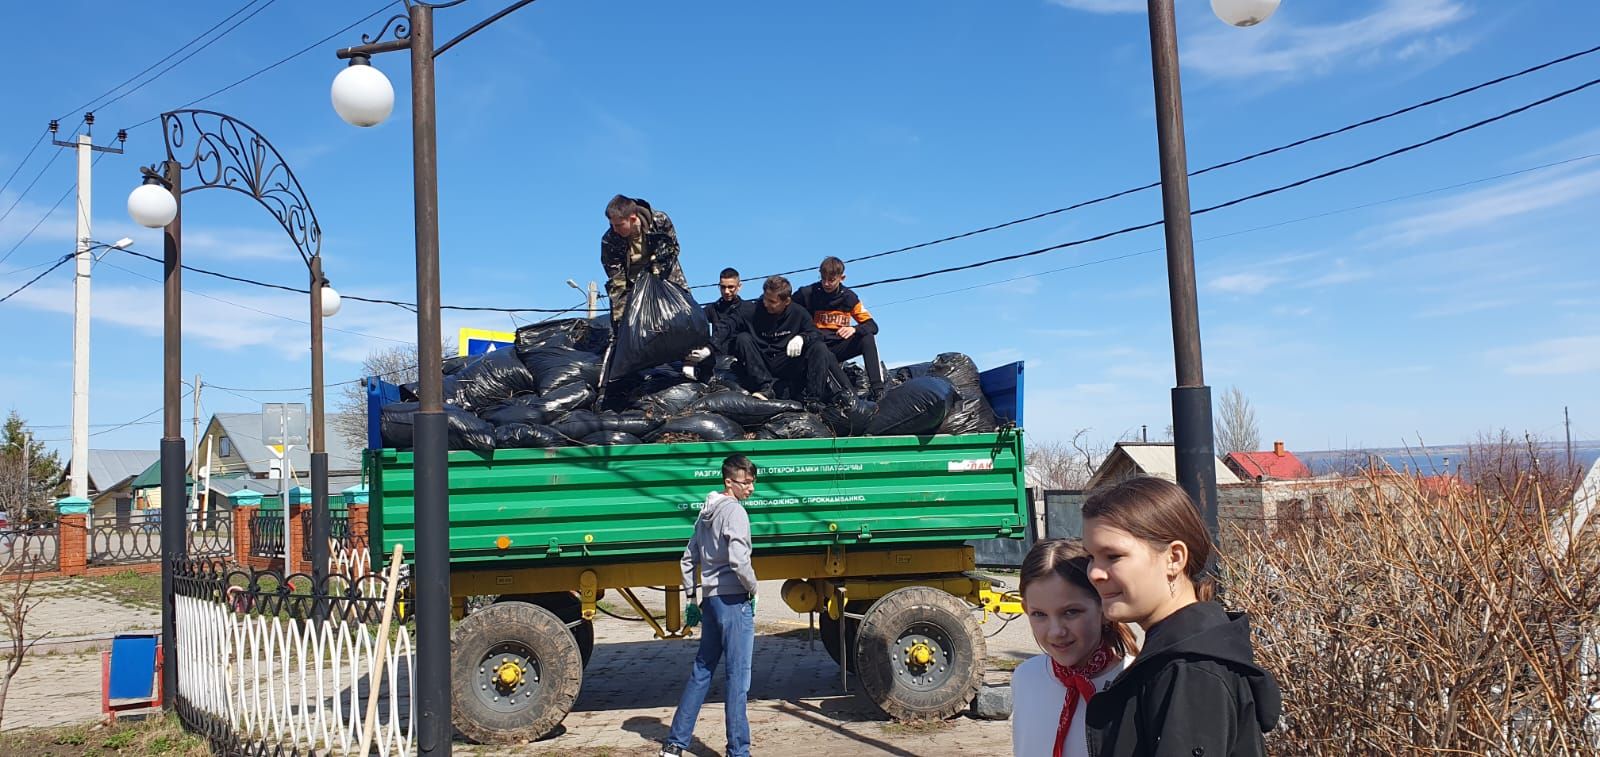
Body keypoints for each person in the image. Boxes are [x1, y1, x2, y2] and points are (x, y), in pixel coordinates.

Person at [1080, 477, 1281, 757]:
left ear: (1174, 558)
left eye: (1112, 556)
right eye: (1091, 557)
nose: (1094, 573)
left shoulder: (1190, 671)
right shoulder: (1179, 654)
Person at [660, 454, 761, 757]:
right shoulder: (735, 512)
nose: (751, 488)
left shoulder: (706, 514)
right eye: (746, 482)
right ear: (728, 481)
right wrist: (753, 589)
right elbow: (739, 560)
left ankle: (674, 746)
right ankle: (738, 752)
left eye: (754, 482)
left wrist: (691, 598)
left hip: (712, 602)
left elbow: (688, 559)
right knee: (738, 679)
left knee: (702, 672)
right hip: (734, 603)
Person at [1012, 539, 1136, 757]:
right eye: (1039, 614)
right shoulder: (1026, 677)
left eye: (1071, 612)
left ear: (1103, 607)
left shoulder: (1133, 681)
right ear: (1025, 609)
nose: (1055, 632)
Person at [726, 275, 852, 406]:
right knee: (743, 338)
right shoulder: (753, 310)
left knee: (819, 347)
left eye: (772, 302)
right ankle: (766, 389)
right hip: (761, 366)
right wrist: (710, 348)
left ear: (786, 302)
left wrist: (802, 338)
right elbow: (729, 324)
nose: (766, 304)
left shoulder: (799, 312)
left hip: (786, 362)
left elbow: (816, 333)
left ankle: (812, 400)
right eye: (765, 299)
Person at [795, 256, 886, 400]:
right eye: (823, 278)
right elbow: (787, 309)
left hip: (838, 345)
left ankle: (878, 391)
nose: (826, 283)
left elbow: (872, 326)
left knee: (867, 337)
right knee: (823, 351)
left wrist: (855, 329)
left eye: (831, 280)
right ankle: (849, 395)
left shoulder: (849, 297)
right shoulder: (807, 293)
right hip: (817, 348)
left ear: (842, 278)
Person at [601, 194, 688, 322]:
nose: (614, 229)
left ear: (632, 218)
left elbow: (672, 250)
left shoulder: (659, 221)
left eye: (619, 225)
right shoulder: (610, 240)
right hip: (633, 287)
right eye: (612, 225)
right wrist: (622, 320)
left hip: (666, 277)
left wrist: (655, 274)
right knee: (627, 327)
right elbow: (617, 280)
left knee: (682, 318)